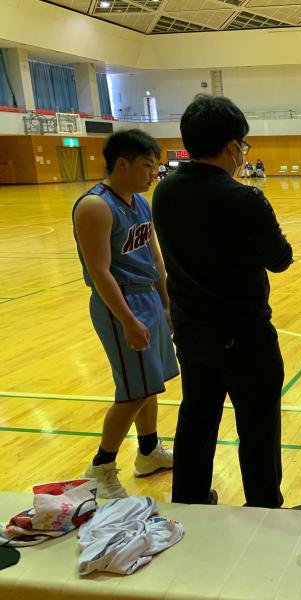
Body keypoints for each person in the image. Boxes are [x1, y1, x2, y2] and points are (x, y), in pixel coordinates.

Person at [152, 95, 294, 508]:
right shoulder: (243, 198)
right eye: (243, 146)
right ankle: (264, 506)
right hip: (245, 334)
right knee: (257, 424)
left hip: (192, 332)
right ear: (233, 146)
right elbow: (280, 259)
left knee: (196, 418)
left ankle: (190, 501)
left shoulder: (163, 192)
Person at [74, 129, 177, 499]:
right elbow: (100, 272)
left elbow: (154, 256)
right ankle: (100, 467)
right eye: (148, 166)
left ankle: (148, 452)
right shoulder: (95, 206)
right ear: (122, 164)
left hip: (147, 298)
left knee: (150, 384)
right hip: (120, 304)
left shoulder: (140, 203)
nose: (154, 174)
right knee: (133, 391)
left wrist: (166, 302)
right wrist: (128, 320)